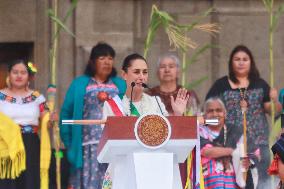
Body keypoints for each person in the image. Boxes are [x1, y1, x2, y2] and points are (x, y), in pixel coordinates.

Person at [102, 53, 189, 189]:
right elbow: (108, 142)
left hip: (156, 171)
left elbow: (169, 136)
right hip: (125, 171)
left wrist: (178, 115)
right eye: (136, 72)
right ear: (124, 75)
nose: (141, 76)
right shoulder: (112, 105)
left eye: (145, 72)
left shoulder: (156, 102)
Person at [206, 45, 282, 189]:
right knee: (234, 182)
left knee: (261, 181)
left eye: (245, 59)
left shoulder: (260, 84)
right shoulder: (221, 85)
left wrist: (275, 100)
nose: (241, 62)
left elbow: (273, 111)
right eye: (237, 59)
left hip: (259, 143)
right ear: (231, 62)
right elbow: (208, 114)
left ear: (251, 62)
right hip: (231, 144)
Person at [59, 42, 126, 189]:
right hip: (87, 149)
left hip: (113, 146)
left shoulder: (120, 85)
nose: (107, 62)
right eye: (102, 58)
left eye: (110, 58)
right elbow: (66, 114)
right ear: (92, 61)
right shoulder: (80, 84)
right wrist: (69, 144)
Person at [146, 53, 200, 187]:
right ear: (157, 72)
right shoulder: (148, 95)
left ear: (178, 71)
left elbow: (196, 123)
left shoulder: (188, 95)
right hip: (155, 149)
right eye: (163, 67)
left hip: (181, 149)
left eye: (171, 66)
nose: (167, 70)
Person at [0, 59, 50, 189]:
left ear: (29, 76)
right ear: (9, 75)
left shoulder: (38, 97)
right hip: (6, 145)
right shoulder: (0, 96)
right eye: (15, 72)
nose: (19, 75)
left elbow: (46, 121)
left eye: (23, 72)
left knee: (30, 181)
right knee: (7, 182)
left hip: (30, 144)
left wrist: (50, 119)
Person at [200, 97, 238, 189]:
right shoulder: (200, 131)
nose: (215, 114)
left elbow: (248, 151)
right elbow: (207, 152)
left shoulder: (233, 130)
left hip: (233, 181)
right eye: (210, 111)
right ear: (204, 115)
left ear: (225, 114)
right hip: (208, 181)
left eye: (218, 110)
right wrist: (232, 151)